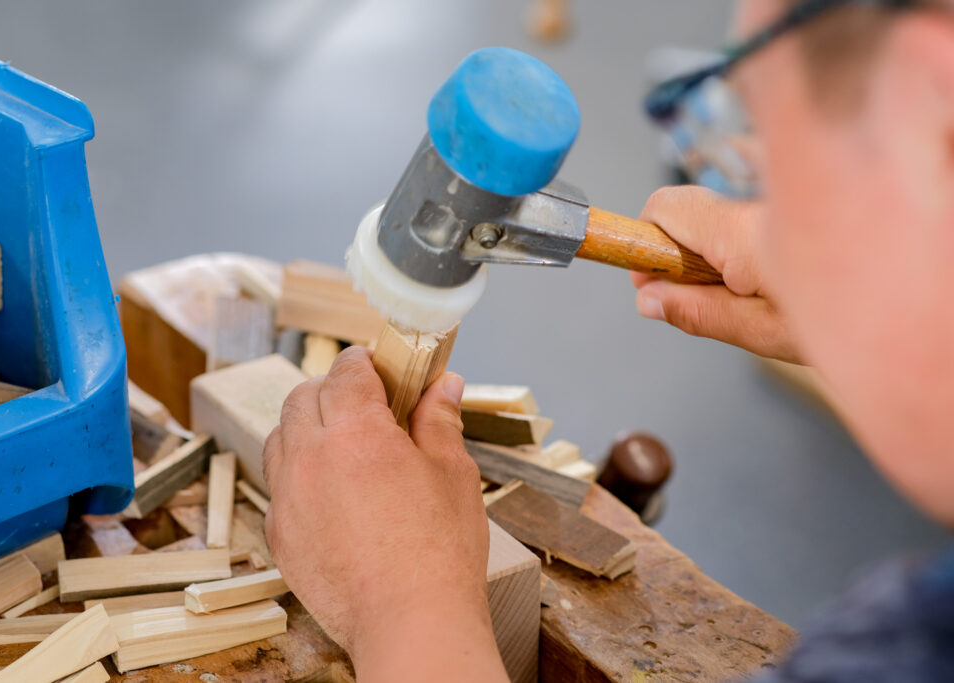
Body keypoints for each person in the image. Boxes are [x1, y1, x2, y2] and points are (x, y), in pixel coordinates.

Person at [261, 0, 954, 679]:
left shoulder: (905, 650)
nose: (751, 193)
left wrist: (404, 600)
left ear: (938, 102)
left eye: (760, 129)